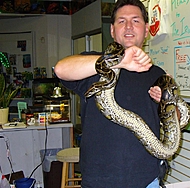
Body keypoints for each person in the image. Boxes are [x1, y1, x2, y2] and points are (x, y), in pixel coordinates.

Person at [54, 0, 165, 187]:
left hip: (147, 179)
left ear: (146, 30)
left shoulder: (158, 74)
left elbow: (175, 119)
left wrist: (166, 102)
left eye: (136, 21)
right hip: (99, 180)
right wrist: (117, 61)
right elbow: (60, 69)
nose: (129, 26)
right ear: (112, 31)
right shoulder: (94, 65)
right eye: (122, 21)